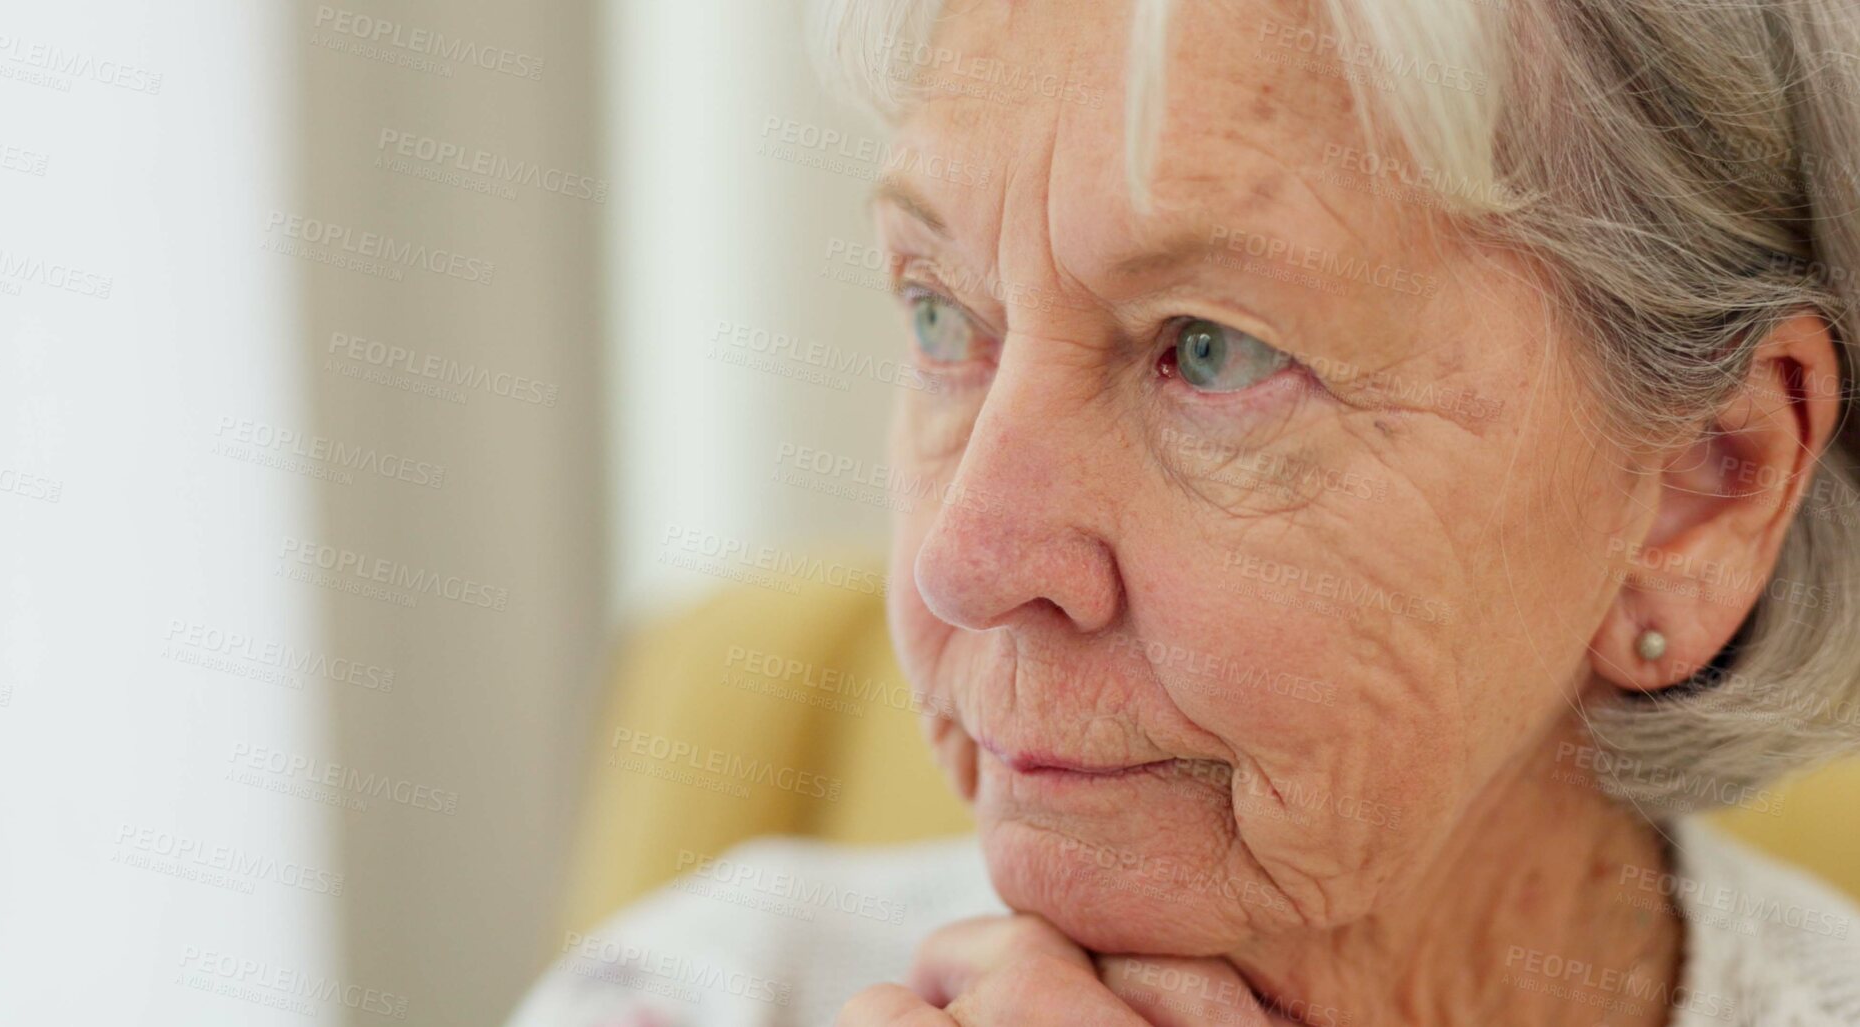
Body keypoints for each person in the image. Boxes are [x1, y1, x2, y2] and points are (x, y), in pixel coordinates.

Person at [514, 0, 1860, 1022]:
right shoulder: (706, 986)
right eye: (943, 315)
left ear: (1706, 488)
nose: (960, 560)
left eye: (1211, 349)